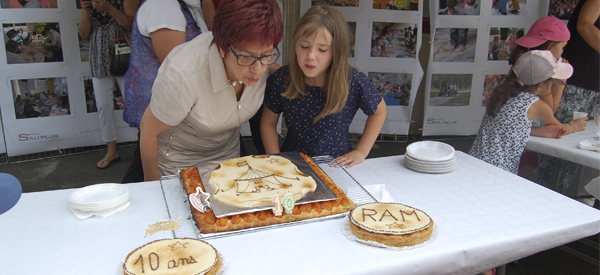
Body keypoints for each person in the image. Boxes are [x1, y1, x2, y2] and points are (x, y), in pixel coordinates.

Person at [139, 0, 283, 181]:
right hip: (181, 163)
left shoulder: (260, 62)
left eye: (266, 54)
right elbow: (148, 129)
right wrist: (152, 187)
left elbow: (269, 66)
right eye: (247, 57)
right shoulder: (184, 73)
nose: (258, 69)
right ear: (223, 48)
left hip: (229, 158)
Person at [261, 5, 387, 169]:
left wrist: (361, 151)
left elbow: (379, 111)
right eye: (304, 46)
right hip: (292, 165)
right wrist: (276, 160)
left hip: (336, 166)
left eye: (322, 49)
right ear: (295, 42)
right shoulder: (283, 79)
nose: (311, 56)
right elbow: (268, 124)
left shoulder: (353, 81)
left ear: (337, 51)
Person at [121, 0, 207, 183]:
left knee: (144, 166)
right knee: (147, 170)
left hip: (169, 110)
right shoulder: (163, 6)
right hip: (164, 110)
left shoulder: (183, 7)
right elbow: (177, 67)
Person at [469, 50, 585, 174]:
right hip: (500, 169)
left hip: (476, 161)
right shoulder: (536, 105)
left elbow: (508, 126)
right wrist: (575, 126)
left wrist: (539, 131)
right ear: (540, 86)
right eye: (553, 82)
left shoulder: (502, 93)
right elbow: (559, 128)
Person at [535, 0, 599, 194]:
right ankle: (540, 202)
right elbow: (584, 25)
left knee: (577, 156)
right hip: (577, 82)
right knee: (556, 153)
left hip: (594, 87)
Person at [78, 0, 138, 169]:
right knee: (103, 106)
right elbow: (84, 33)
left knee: (133, 104)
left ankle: (142, 147)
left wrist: (109, 9)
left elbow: (130, 24)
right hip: (99, 59)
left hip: (123, 55)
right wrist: (85, 10)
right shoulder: (89, 3)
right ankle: (111, 150)